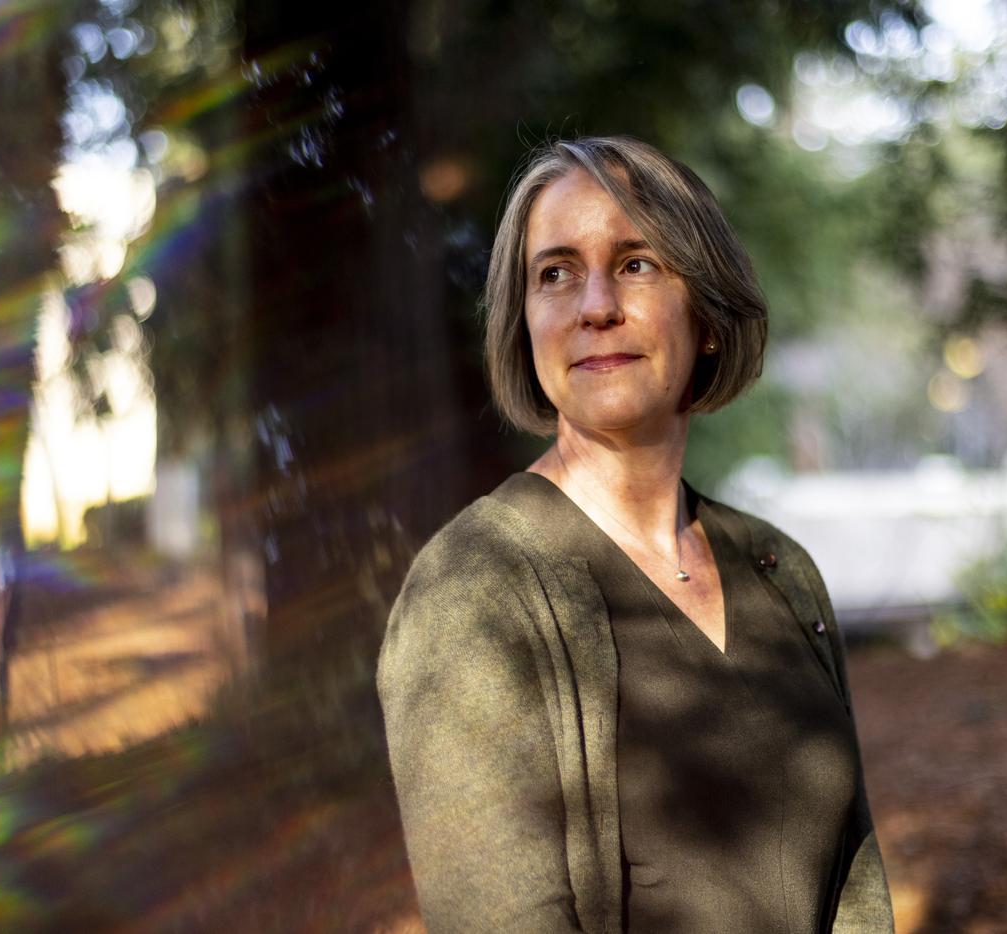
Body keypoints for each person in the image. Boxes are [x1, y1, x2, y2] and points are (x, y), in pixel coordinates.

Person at [377, 136, 894, 934]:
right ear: (525, 327)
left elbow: (856, 889)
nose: (594, 305)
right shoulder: (472, 589)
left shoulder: (780, 570)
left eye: (635, 263)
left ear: (709, 317)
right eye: (555, 273)